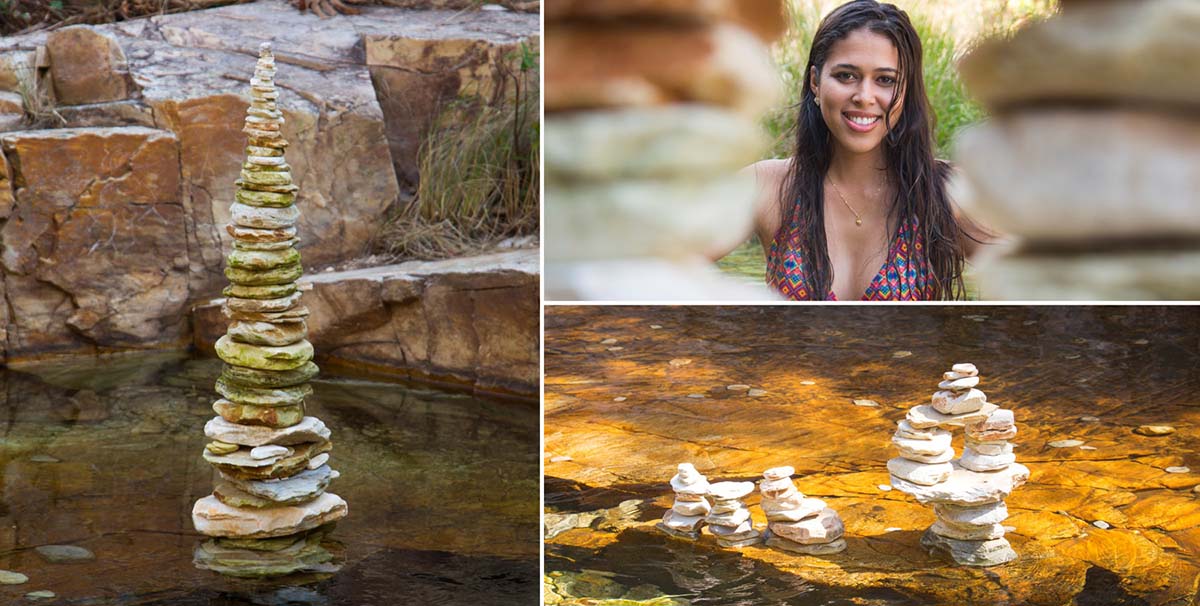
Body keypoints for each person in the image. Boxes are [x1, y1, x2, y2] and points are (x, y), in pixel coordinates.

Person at [725, 0, 990, 301]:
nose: (865, 97)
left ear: (904, 91)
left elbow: (1039, 280)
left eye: (885, 80)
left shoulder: (944, 191)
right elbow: (665, 250)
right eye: (846, 76)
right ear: (815, 81)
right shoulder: (769, 187)